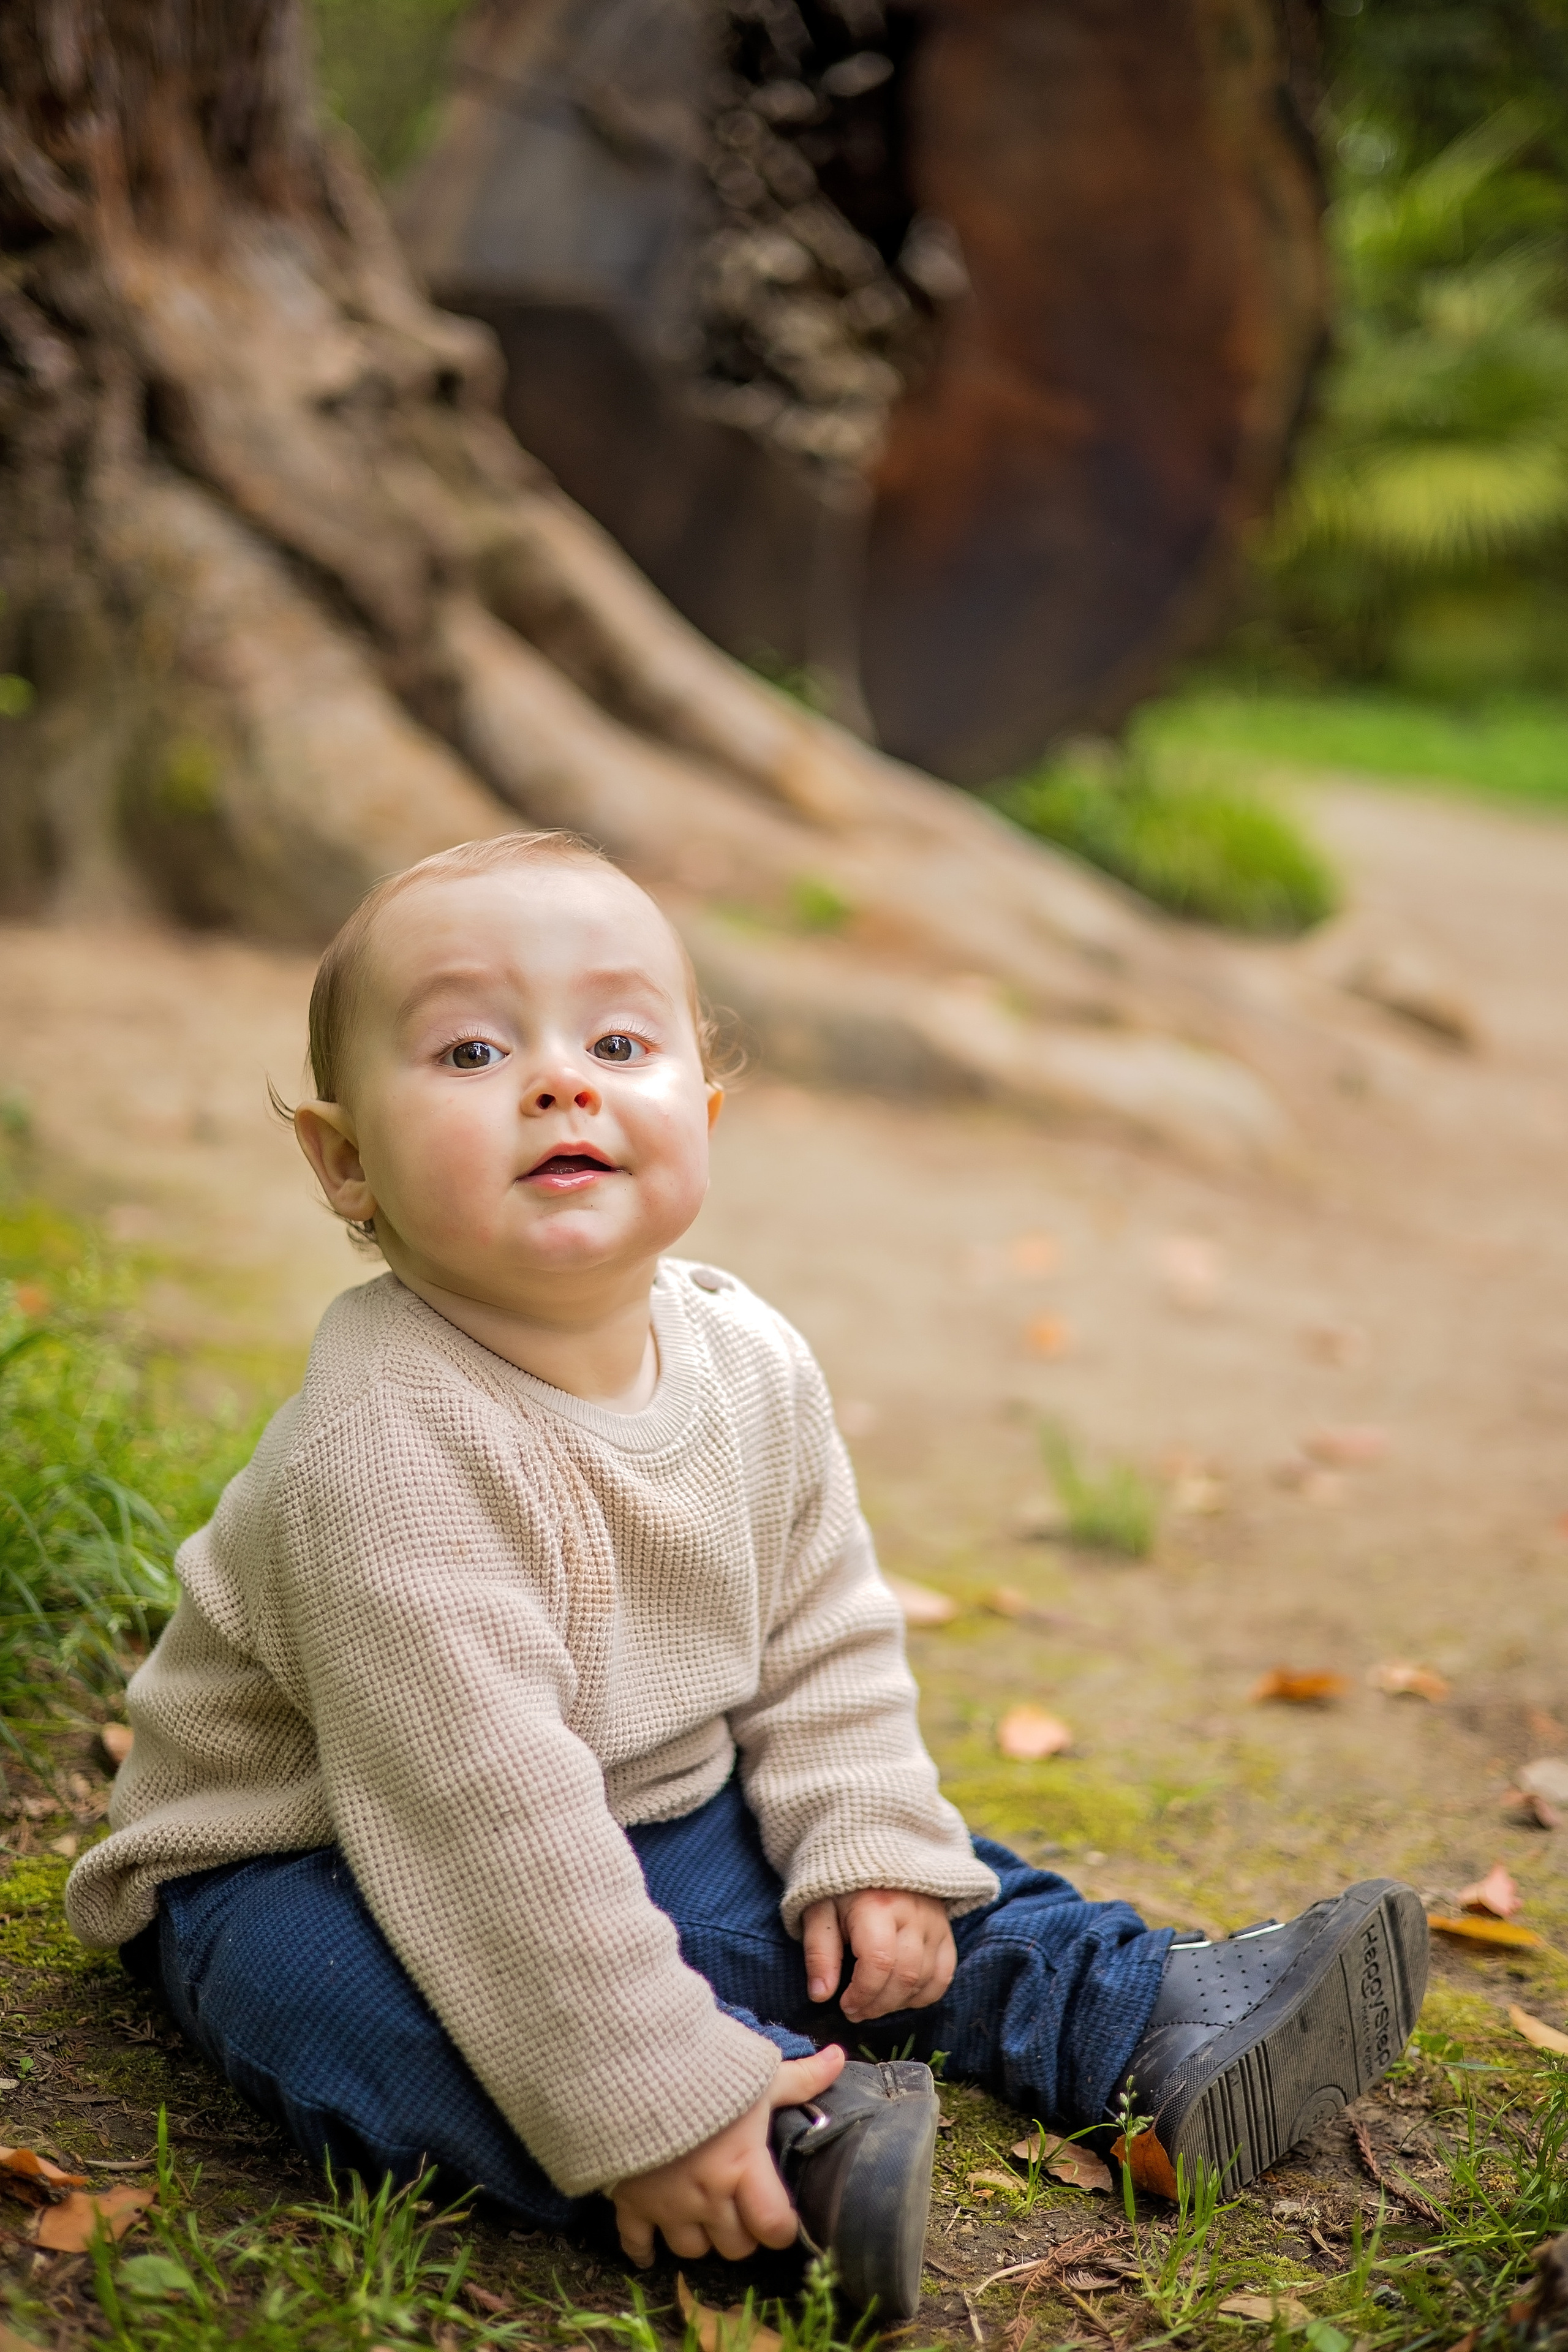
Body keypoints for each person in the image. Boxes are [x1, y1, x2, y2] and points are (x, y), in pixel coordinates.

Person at [65, 833, 1428, 2322]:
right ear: (344, 1162)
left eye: (618, 1041)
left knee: (855, 1895)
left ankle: (1139, 2020)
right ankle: (770, 2161)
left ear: (698, 1113)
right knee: (339, 2004)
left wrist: (865, 1839)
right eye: (469, 1047)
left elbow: (818, 1633)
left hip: (637, 1799)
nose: (559, 1081)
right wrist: (647, 2094)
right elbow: (480, 1821)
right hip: (305, 1853)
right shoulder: (380, 1452)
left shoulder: (745, 1358)